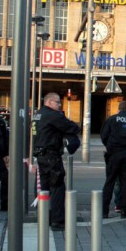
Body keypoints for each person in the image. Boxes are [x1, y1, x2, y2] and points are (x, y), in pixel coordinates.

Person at [33, 92, 81, 231]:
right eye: (57, 102)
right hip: (51, 156)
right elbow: (72, 127)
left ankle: (44, 217)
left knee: (44, 189)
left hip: (41, 155)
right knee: (57, 187)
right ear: (49, 102)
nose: (60, 105)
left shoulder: (38, 114)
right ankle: (57, 220)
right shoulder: (52, 115)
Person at [100, 101, 126, 219]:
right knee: (125, 182)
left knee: (110, 181)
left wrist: (110, 146)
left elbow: (103, 136)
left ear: (118, 109)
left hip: (113, 154)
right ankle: (124, 210)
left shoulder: (111, 119)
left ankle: (104, 211)